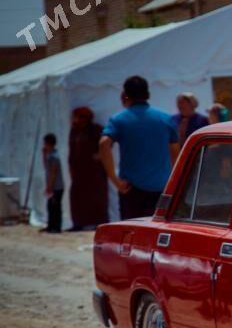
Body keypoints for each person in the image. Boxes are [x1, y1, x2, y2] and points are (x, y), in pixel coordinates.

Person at [99, 76, 179, 220]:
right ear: (147, 94)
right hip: (162, 188)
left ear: (125, 95)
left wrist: (114, 179)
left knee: (132, 235)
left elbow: (104, 143)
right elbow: (175, 152)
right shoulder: (166, 119)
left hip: (132, 190)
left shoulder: (119, 119)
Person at [68, 107, 108, 231]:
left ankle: (99, 222)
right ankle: (78, 223)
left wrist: (100, 155)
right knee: (77, 197)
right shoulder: (74, 131)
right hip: (79, 171)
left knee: (97, 196)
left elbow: (107, 143)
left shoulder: (96, 130)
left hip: (94, 171)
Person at [41, 133, 64, 233]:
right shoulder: (50, 155)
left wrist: (49, 187)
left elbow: (53, 173)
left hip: (56, 186)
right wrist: (44, 154)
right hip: (53, 186)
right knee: (50, 206)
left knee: (55, 207)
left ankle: (56, 227)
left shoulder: (54, 156)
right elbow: (46, 167)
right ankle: (51, 226)